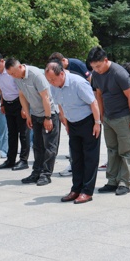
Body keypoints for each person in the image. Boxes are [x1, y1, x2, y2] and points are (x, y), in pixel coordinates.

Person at [46, 61, 102, 203]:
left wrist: (97, 123)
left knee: (90, 157)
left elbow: (93, 102)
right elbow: (60, 104)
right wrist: (65, 121)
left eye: (53, 79)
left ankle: (87, 191)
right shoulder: (54, 86)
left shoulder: (78, 83)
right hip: (72, 123)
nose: (51, 82)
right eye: (49, 80)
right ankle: (76, 189)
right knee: (76, 158)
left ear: (62, 74)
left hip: (88, 122)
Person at [88, 46, 130, 196]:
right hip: (108, 118)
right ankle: (112, 181)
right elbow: (99, 95)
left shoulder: (119, 73)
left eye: (98, 66)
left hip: (124, 117)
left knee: (127, 150)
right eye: (93, 67)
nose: (96, 70)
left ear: (106, 60)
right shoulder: (96, 74)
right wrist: (101, 116)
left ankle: (124, 182)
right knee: (112, 150)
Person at [6, 57, 60, 186]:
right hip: (35, 114)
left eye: (13, 73)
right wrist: (28, 115)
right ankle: (36, 172)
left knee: (49, 146)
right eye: (10, 74)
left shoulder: (35, 75)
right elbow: (22, 95)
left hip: (49, 113)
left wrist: (48, 118)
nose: (13, 76)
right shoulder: (17, 77)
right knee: (37, 146)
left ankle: (46, 175)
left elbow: (46, 97)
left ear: (20, 67)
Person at [0, 51, 30, 173]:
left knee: (23, 133)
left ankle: (23, 160)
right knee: (11, 133)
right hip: (7, 103)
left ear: (2, 61)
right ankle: (10, 159)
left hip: (19, 102)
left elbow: (23, 89)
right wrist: (2, 103)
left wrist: (24, 108)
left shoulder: (11, 70)